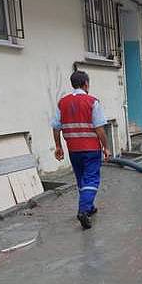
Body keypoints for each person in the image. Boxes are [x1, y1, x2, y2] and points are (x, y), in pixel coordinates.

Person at [52, 71, 111, 229]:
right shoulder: (92, 102)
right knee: (91, 179)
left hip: (73, 149)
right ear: (86, 84)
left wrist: (58, 146)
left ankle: (89, 207)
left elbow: (56, 127)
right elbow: (99, 129)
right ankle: (83, 210)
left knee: (81, 180)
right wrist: (106, 147)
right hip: (91, 149)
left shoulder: (62, 103)